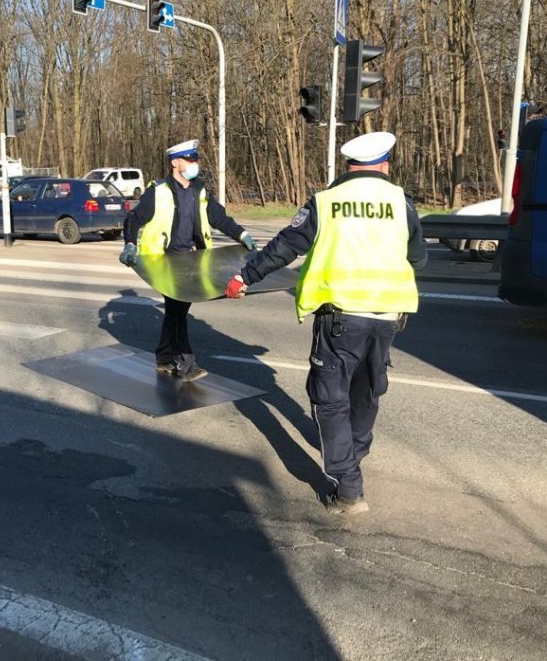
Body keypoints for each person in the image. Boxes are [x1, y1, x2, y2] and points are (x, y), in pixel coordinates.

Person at [223, 132, 427, 514]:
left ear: (347, 166)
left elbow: (284, 247)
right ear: (384, 165)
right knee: (368, 390)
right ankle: (354, 453)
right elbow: (418, 259)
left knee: (330, 399)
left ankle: (348, 487)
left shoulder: (326, 202)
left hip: (341, 318)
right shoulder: (403, 203)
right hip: (386, 317)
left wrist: (244, 278)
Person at [119, 139, 257, 381]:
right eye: (190, 160)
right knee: (177, 310)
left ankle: (163, 357)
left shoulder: (199, 191)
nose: (195, 164)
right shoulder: (158, 191)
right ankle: (185, 364)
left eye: (196, 159)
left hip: (193, 260)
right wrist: (130, 243)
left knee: (176, 312)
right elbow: (134, 219)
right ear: (175, 162)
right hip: (165, 262)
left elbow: (219, 218)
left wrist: (242, 234)